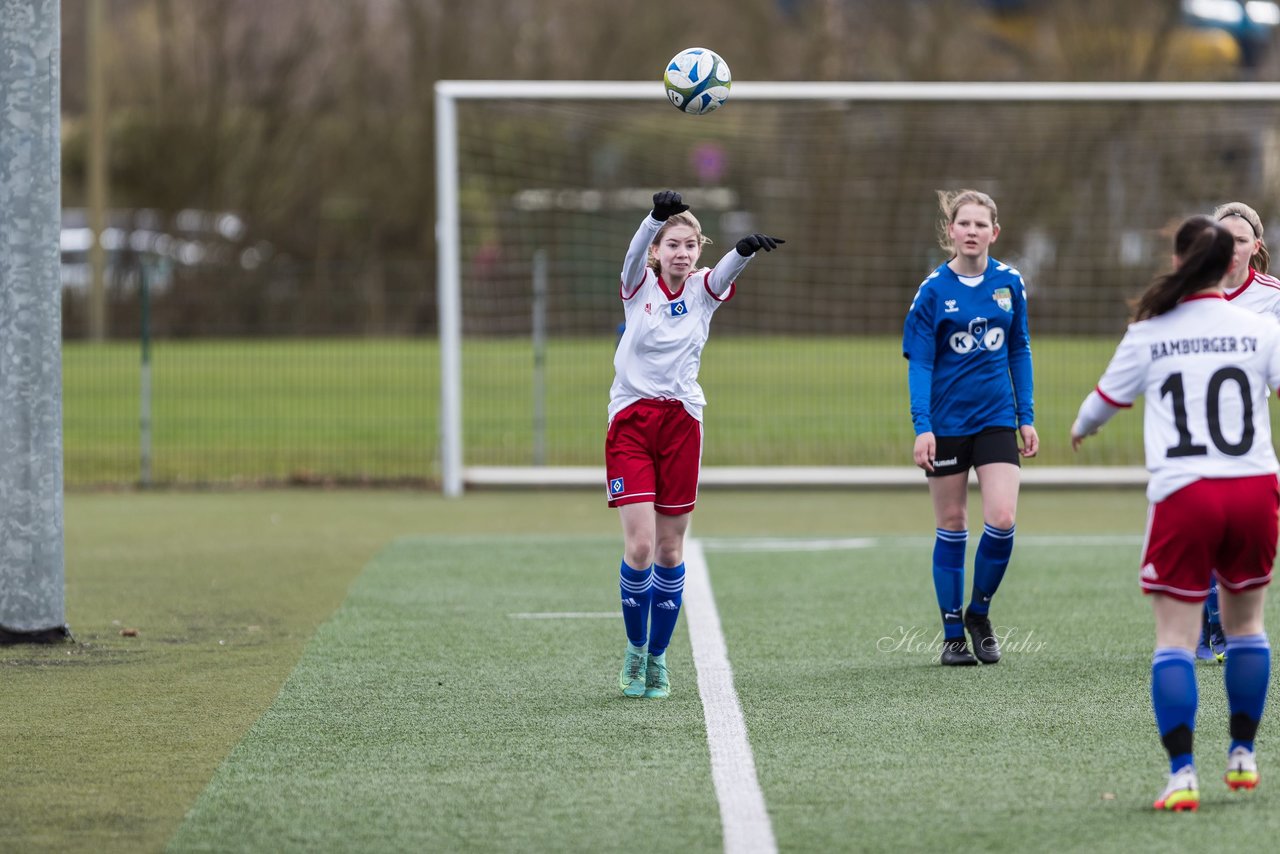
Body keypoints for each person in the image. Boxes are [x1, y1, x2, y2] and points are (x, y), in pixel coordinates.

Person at [1071, 215, 1279, 812]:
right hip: (1254, 490)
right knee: (1248, 629)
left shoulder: (1151, 331)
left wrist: (1080, 430)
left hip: (1186, 494)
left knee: (1175, 641)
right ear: (1225, 264)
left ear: (1180, 262)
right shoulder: (1260, 328)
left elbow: (1100, 405)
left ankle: (1183, 774)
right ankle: (1242, 757)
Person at [609, 190, 783, 699]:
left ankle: (659, 659)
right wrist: (652, 218)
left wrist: (744, 250)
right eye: (673, 244)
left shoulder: (705, 290)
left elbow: (725, 274)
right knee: (639, 545)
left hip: (682, 422)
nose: (682, 253)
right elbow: (631, 254)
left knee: (669, 547)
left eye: (690, 245)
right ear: (657, 252)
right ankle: (635, 650)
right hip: (632, 423)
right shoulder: (636, 285)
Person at [902, 189, 1038, 667]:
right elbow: (919, 363)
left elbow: (1019, 348)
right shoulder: (933, 290)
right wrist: (924, 427)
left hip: (997, 418)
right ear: (951, 231)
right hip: (947, 423)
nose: (973, 231)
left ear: (994, 232)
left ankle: (978, 612)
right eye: (965, 224)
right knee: (953, 524)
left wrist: (1027, 416)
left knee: (1002, 519)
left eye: (982, 224)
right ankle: (952, 633)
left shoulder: (1009, 283)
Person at [1192, 202, 1280, 661]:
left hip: (1247, 439)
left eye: (1241, 239)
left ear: (1255, 247)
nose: (1231, 247)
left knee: (1237, 535)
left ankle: (1222, 622)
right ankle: (1210, 627)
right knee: (1201, 528)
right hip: (1191, 434)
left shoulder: (1273, 296)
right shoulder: (1187, 292)